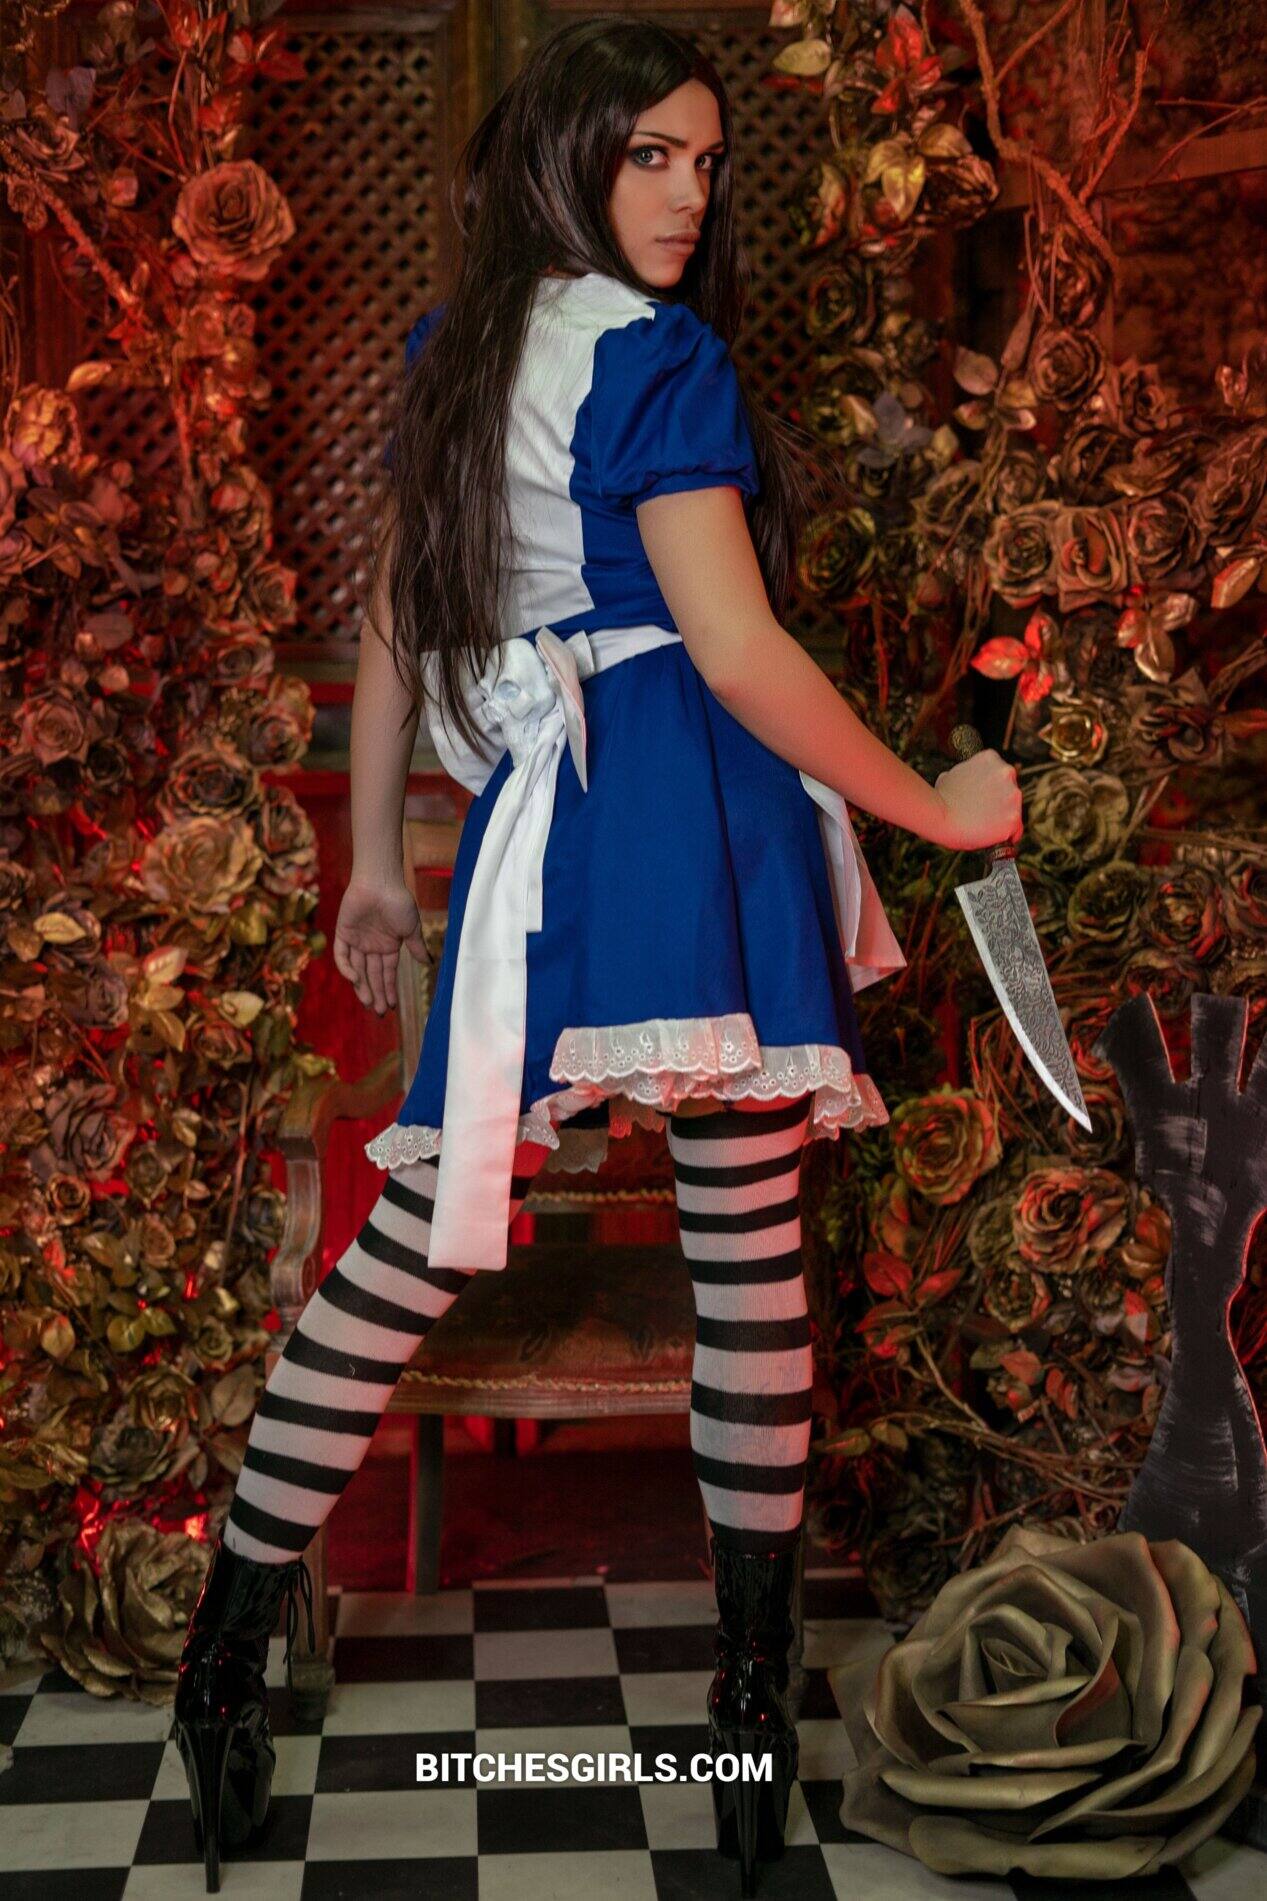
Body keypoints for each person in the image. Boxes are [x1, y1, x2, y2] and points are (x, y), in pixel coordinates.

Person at [173, 15, 1023, 1895]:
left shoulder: (461, 348)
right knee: (744, 1255)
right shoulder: (655, 356)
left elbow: (397, 610)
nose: (689, 193)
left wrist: (381, 854)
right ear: (567, 152)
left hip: (537, 820)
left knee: (416, 1234)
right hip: (682, 801)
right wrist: (943, 811)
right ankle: (748, 1713)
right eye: (652, 154)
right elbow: (738, 648)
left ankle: (218, 1667)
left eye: (707, 161)